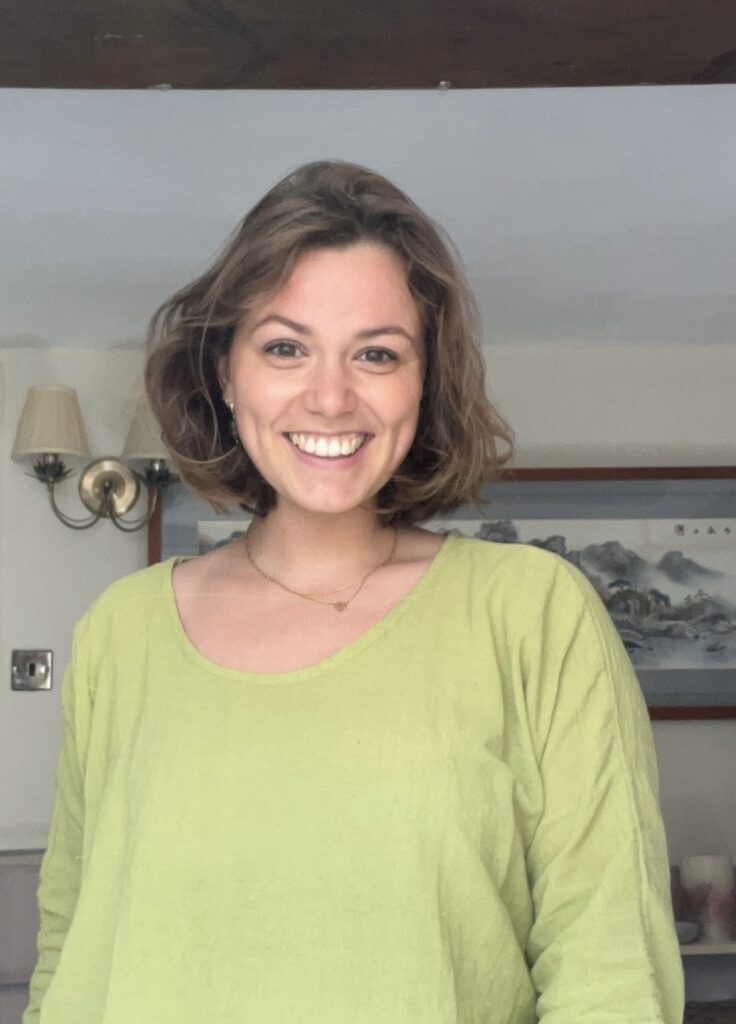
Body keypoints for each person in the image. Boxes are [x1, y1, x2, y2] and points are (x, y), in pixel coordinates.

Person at [24, 160, 684, 1024]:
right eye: (286, 347)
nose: (330, 397)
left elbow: (613, 972)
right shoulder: (122, 629)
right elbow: (70, 947)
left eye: (376, 353)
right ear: (226, 373)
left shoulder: (532, 615)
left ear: (426, 380)